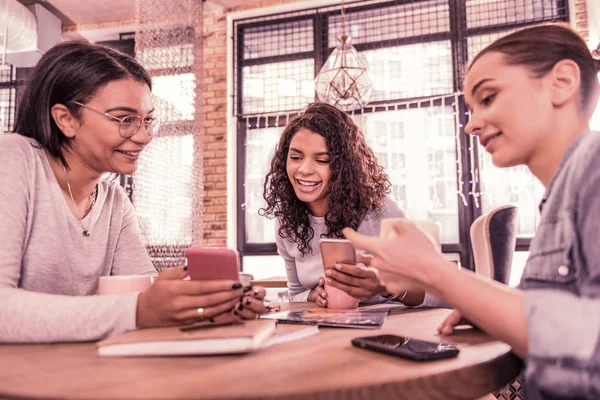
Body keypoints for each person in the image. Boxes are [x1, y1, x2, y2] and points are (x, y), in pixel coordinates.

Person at [344, 24, 600, 399]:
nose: (471, 123)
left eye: (488, 98)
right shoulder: (561, 193)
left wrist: (434, 272)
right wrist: (487, 305)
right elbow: (570, 313)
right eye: (470, 107)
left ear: (560, 82)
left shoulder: (593, 169)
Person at [0, 41, 266, 344]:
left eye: (147, 120)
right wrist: (140, 309)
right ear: (66, 119)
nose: (143, 137)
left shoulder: (113, 200)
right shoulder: (13, 159)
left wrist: (203, 306)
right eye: (125, 120)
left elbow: (142, 298)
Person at [261, 102, 424, 307]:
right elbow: (296, 293)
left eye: (322, 160)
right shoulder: (288, 222)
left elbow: (435, 292)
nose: (304, 169)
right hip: (326, 334)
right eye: (295, 157)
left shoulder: (380, 210)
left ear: (342, 168)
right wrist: (313, 295)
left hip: (385, 335)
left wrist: (385, 287)